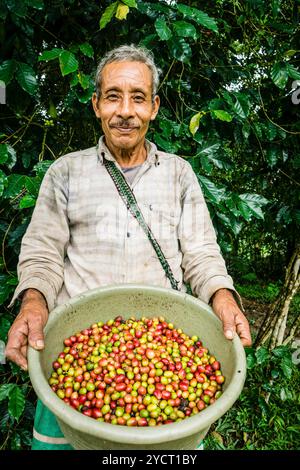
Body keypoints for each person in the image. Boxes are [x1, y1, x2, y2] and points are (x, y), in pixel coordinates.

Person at [5, 44, 252, 450]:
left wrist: (223, 298)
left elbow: (201, 253)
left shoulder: (179, 174)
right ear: (96, 104)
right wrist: (34, 303)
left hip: (165, 340)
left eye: (138, 98)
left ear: (154, 107)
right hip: (77, 344)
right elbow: (43, 253)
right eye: (113, 96)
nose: (125, 110)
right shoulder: (65, 171)